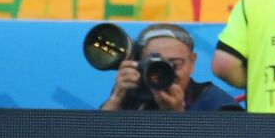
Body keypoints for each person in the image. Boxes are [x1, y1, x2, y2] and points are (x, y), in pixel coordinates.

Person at [100, 23, 241, 112]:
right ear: (138, 64)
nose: (163, 72)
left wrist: (176, 114)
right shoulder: (129, 97)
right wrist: (115, 99)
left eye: (174, 64)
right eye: (154, 65)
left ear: (192, 62)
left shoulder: (215, 104)